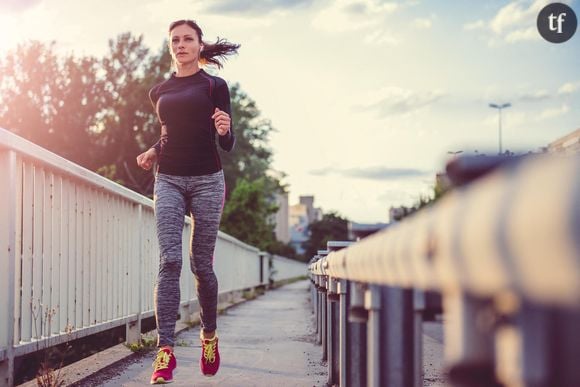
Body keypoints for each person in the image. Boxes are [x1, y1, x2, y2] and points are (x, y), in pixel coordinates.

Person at [136, 19, 240, 384]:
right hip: (168, 180)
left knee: (201, 265)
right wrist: (152, 151)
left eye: (187, 39)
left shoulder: (215, 85)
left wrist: (226, 130)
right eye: (175, 40)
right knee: (170, 261)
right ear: (170, 47)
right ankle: (164, 351)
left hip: (208, 180)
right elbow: (171, 135)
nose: (181, 45)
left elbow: (224, 144)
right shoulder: (159, 91)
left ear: (199, 45)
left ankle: (208, 336)